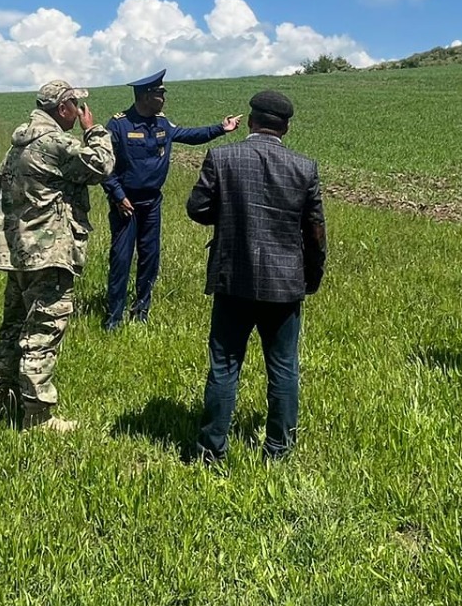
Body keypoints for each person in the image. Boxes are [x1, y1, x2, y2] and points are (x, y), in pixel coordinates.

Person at [185, 89, 326, 463]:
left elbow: (197, 208)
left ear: (250, 121)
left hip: (233, 277)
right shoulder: (305, 168)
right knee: (283, 368)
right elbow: (315, 233)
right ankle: (278, 450)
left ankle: (211, 451)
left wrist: (230, 216)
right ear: (287, 127)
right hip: (285, 283)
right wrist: (311, 278)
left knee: (224, 365)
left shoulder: (222, 157)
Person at [0, 80, 116, 431]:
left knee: (12, 326)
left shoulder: (16, 145)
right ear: (63, 108)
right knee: (43, 331)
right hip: (49, 253)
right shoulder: (56, 142)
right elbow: (102, 166)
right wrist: (95, 130)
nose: (80, 112)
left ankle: (3, 395)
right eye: (77, 106)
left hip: (16, 252)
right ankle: (38, 416)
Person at [102, 70, 242, 329]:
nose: (164, 97)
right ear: (145, 96)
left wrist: (221, 129)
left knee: (150, 257)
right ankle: (113, 318)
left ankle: (141, 311)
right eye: (160, 93)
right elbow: (104, 166)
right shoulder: (118, 125)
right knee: (121, 259)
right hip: (126, 205)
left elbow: (188, 136)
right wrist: (118, 196)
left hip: (152, 202)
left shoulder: (162, 123)